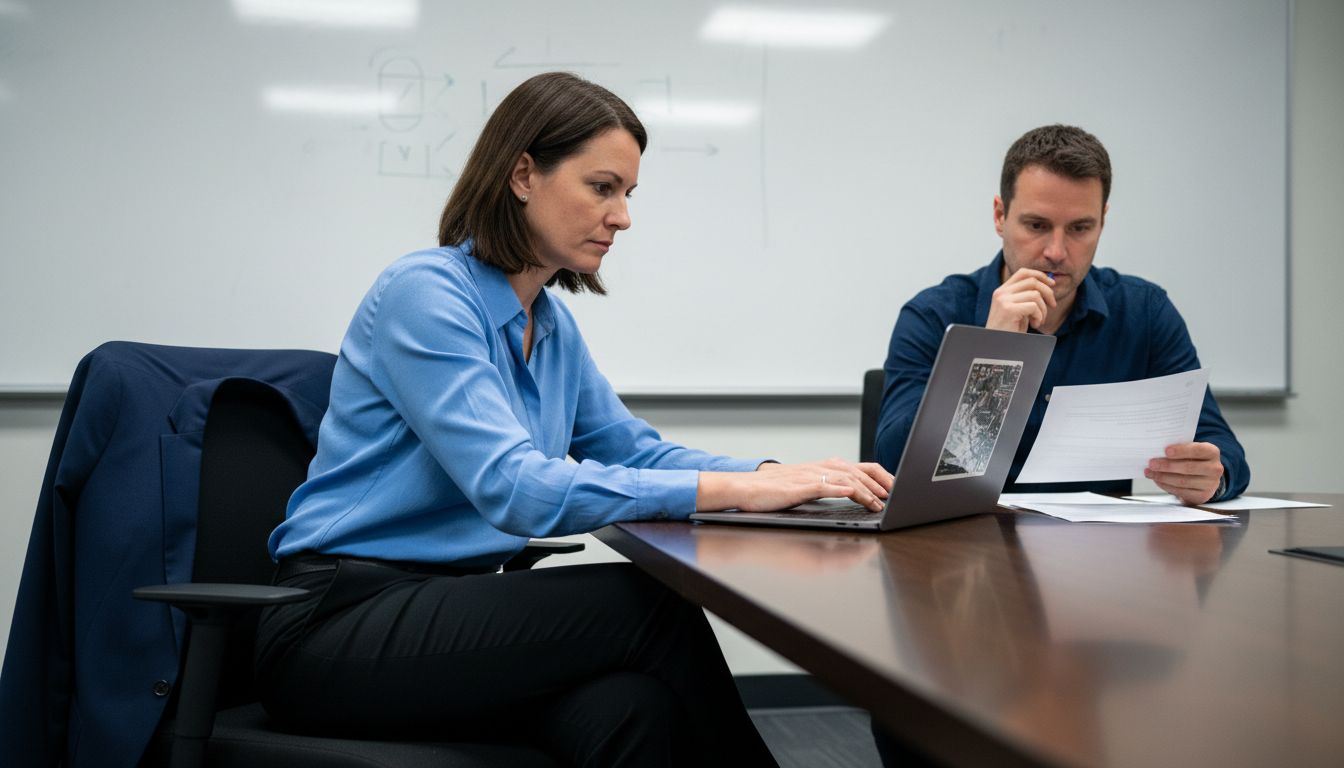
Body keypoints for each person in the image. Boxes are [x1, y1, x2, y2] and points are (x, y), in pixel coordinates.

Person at [255, 72, 893, 767]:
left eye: (628, 194)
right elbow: (515, 488)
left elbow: (632, 450)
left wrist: (774, 476)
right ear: (523, 175)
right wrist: (733, 491)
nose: (622, 217)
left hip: (449, 611)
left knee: (632, 710)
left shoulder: (549, 324)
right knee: (649, 605)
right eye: (602, 187)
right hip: (338, 624)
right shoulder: (427, 293)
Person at [873, 124, 1248, 505]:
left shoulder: (1145, 313)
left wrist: (1212, 477)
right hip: (967, 534)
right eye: (1037, 225)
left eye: (1080, 228)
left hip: (1098, 540)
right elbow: (891, 462)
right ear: (1000, 216)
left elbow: (1222, 448)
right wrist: (991, 353)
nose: (1056, 251)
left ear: (1102, 221)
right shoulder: (933, 315)